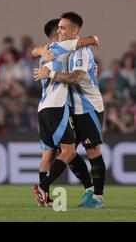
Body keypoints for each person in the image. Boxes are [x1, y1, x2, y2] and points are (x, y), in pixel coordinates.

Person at [35, 12, 106, 208]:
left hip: (88, 108)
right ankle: (89, 190)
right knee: (69, 152)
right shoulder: (62, 50)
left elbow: (75, 78)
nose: (59, 31)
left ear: (75, 31)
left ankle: (98, 198)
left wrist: (50, 73)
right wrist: (41, 51)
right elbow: (37, 50)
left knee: (93, 152)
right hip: (71, 107)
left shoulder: (82, 51)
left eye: (63, 28)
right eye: (58, 28)